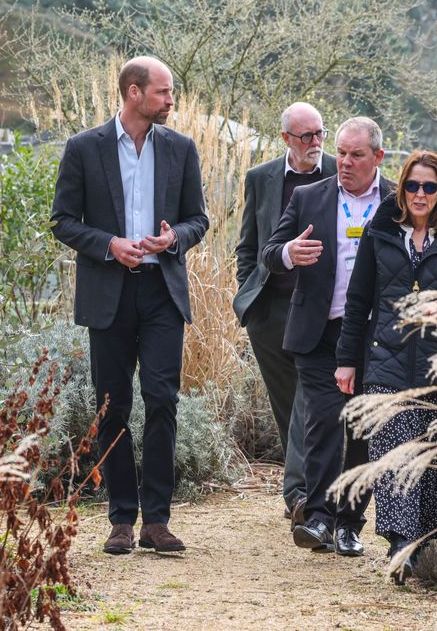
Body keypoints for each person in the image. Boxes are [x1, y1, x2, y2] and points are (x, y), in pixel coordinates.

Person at [50, 56, 209, 555]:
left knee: (162, 401)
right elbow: (62, 221)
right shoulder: (83, 148)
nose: (171, 101)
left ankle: (156, 521)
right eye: (163, 93)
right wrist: (108, 244)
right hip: (109, 293)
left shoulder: (182, 148)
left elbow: (197, 220)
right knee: (112, 406)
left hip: (162, 291)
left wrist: (174, 239)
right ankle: (121, 519)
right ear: (134, 92)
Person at [334, 150, 437, 583]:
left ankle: (428, 544)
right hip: (386, 361)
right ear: (402, 189)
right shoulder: (381, 232)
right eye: (412, 185)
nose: (419, 194)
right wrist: (346, 361)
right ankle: (400, 546)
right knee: (393, 455)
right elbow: (358, 301)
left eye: (428, 187)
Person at [261, 117, 392, 556]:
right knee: (322, 422)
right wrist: (288, 253)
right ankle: (317, 517)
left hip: (375, 336)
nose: (345, 163)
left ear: (378, 157)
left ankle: (350, 523)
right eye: (342, 153)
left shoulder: (397, 200)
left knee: (363, 429)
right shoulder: (309, 196)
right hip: (320, 331)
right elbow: (268, 255)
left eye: (356, 155)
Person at [233, 102, 335, 528]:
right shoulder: (261, 178)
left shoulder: (341, 172)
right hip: (271, 310)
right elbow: (248, 245)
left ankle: (302, 497)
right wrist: (247, 292)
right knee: (287, 405)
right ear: (285, 140)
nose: (315, 143)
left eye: (319, 134)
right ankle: (304, 494)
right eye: (305, 136)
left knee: (312, 403)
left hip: (322, 310)